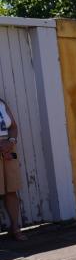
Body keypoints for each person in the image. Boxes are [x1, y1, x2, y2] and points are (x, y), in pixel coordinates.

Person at [0, 98, 26, 241]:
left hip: (9, 150)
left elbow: (13, 127)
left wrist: (10, 142)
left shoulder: (2, 104)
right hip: (2, 148)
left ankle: (15, 228)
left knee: (11, 189)